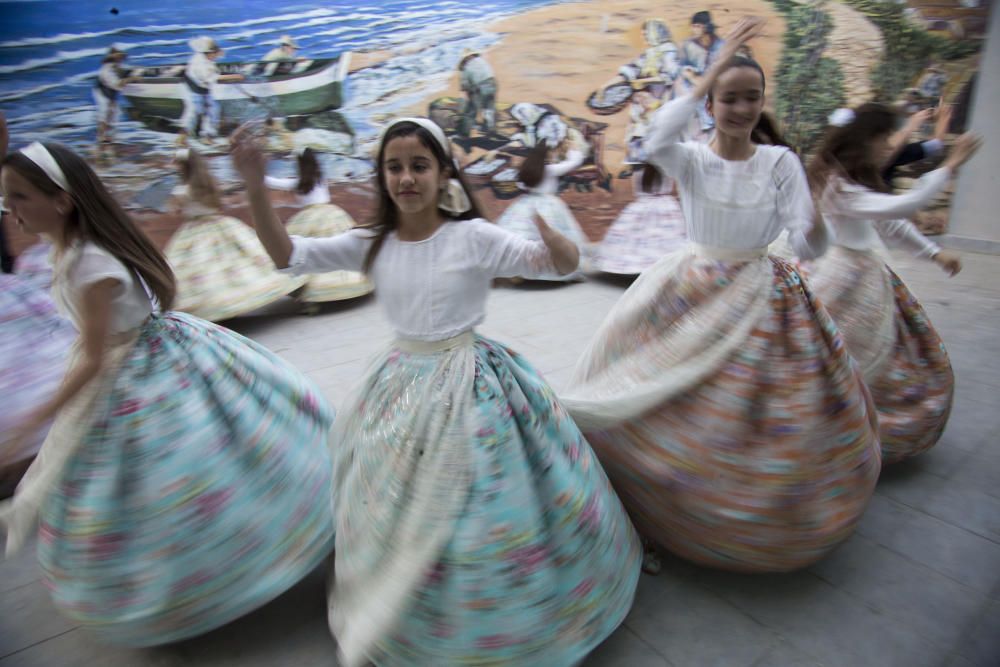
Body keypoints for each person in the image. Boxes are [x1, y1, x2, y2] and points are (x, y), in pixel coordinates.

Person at [232, 116, 641, 667]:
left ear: (443, 171)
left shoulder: (471, 236)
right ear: (381, 176)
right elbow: (289, 255)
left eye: (419, 165)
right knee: (398, 494)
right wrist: (257, 188)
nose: (406, 178)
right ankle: (418, 604)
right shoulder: (371, 244)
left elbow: (554, 265)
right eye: (394, 167)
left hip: (474, 382)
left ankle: (503, 608)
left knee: (486, 498)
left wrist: (557, 242)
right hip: (401, 380)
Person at [561, 18, 880, 573]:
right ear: (711, 102)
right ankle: (661, 500)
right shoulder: (692, 157)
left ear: (762, 102)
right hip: (692, 287)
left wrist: (820, 222)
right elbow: (656, 139)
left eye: (750, 98)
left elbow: (805, 234)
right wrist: (711, 69)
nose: (740, 108)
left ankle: (735, 508)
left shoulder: (778, 161)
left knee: (749, 406)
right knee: (667, 392)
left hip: (763, 292)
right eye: (728, 98)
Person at [0, 141, 335, 645]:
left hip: (143, 368)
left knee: (191, 466)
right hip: (133, 357)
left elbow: (92, 358)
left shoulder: (90, 264)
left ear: (63, 200)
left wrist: (34, 420)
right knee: (145, 482)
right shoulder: (67, 251)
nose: (10, 210)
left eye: (19, 197)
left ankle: (222, 568)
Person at [806, 104, 982, 464]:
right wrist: (950, 166)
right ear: (865, 139)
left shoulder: (856, 177)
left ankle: (848, 429)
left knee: (858, 362)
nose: (890, 144)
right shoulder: (837, 183)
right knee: (833, 362)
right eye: (885, 137)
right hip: (842, 279)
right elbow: (904, 206)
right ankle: (825, 432)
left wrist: (934, 253)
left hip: (863, 276)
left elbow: (891, 223)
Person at [164, 147, 306, 321]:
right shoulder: (209, 184)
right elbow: (220, 205)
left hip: (194, 230)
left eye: (177, 163)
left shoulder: (181, 190)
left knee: (204, 268)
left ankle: (214, 307)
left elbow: (174, 210)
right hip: (220, 223)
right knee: (246, 259)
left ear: (183, 166)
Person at [264, 147, 372, 309]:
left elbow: (273, 183)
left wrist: (255, 174)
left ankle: (313, 295)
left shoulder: (300, 182)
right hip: (331, 213)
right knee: (339, 250)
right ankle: (345, 286)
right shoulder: (320, 178)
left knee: (301, 254)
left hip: (311, 218)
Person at [495, 140, 590, 281]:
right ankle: (558, 268)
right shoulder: (549, 170)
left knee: (522, 236)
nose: (553, 155)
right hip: (549, 204)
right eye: (552, 153)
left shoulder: (528, 170)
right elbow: (572, 163)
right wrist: (574, 151)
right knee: (554, 236)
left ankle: (522, 269)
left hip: (527, 203)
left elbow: (521, 184)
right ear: (546, 154)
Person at [594, 163, 687, 275]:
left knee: (635, 237)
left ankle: (634, 264)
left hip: (643, 203)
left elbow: (637, 189)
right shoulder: (667, 164)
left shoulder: (638, 166)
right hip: (665, 205)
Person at [178, 37, 244, 145]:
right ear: (208, 53)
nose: (216, 55)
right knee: (193, 112)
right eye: (214, 53)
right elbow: (213, 78)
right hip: (193, 89)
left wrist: (220, 54)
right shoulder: (201, 64)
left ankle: (207, 136)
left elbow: (218, 55)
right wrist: (235, 76)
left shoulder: (206, 56)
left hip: (204, 88)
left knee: (214, 109)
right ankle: (182, 138)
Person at [678, 11, 726, 135]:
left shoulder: (721, 45)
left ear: (707, 27)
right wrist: (692, 76)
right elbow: (683, 67)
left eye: (699, 26)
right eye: (694, 26)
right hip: (693, 83)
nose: (696, 29)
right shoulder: (688, 45)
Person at [93, 46, 135, 154]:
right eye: (119, 57)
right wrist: (132, 79)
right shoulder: (106, 70)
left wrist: (131, 73)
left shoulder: (115, 66)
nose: (121, 59)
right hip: (102, 92)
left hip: (110, 91)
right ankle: (101, 138)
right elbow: (117, 84)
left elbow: (122, 72)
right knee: (105, 112)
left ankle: (107, 137)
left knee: (113, 112)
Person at [457, 50, 498, 137]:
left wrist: (467, 95)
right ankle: (491, 128)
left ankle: (464, 133)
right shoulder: (482, 61)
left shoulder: (466, 67)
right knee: (489, 108)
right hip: (492, 83)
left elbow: (465, 86)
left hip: (480, 87)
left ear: (466, 58)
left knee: (471, 110)